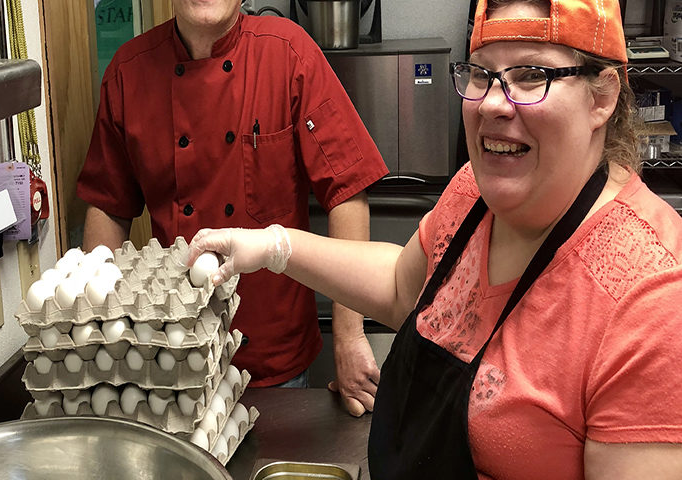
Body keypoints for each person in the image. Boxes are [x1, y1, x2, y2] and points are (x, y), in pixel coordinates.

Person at [186, 0, 682, 477]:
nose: (490, 103)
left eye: (532, 75)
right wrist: (274, 246)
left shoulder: (652, 300)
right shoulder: (472, 192)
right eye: (482, 74)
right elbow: (405, 287)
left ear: (603, 96)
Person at [76, 0, 389, 416]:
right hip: (172, 356)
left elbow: (346, 188)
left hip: (275, 359)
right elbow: (108, 206)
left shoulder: (289, 55)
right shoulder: (127, 73)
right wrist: (101, 334)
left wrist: (350, 336)